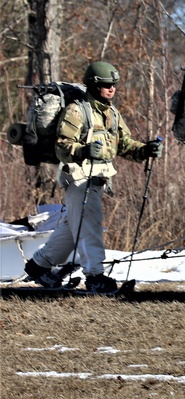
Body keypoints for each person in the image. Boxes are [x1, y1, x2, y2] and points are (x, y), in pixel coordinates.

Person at [23, 61, 163, 293]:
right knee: (89, 227)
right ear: (94, 85)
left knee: (72, 229)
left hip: (98, 178)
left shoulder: (112, 113)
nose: (112, 89)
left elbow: (124, 144)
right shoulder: (77, 111)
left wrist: (145, 149)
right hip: (79, 178)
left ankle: (39, 266)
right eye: (107, 85)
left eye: (114, 85)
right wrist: (82, 151)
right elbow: (62, 146)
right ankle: (95, 276)